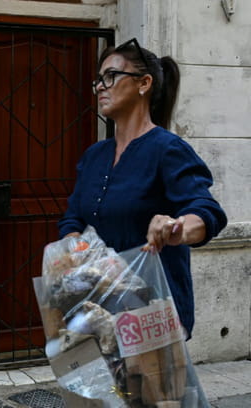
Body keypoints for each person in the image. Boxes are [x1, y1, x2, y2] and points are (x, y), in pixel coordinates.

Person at [57, 38, 227, 338]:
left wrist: (176, 226)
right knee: (96, 386)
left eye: (110, 76)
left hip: (152, 314)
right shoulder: (94, 156)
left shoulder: (167, 150)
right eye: (98, 79)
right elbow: (73, 219)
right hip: (98, 308)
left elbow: (206, 211)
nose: (100, 86)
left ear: (143, 83)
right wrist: (74, 248)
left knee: (145, 387)